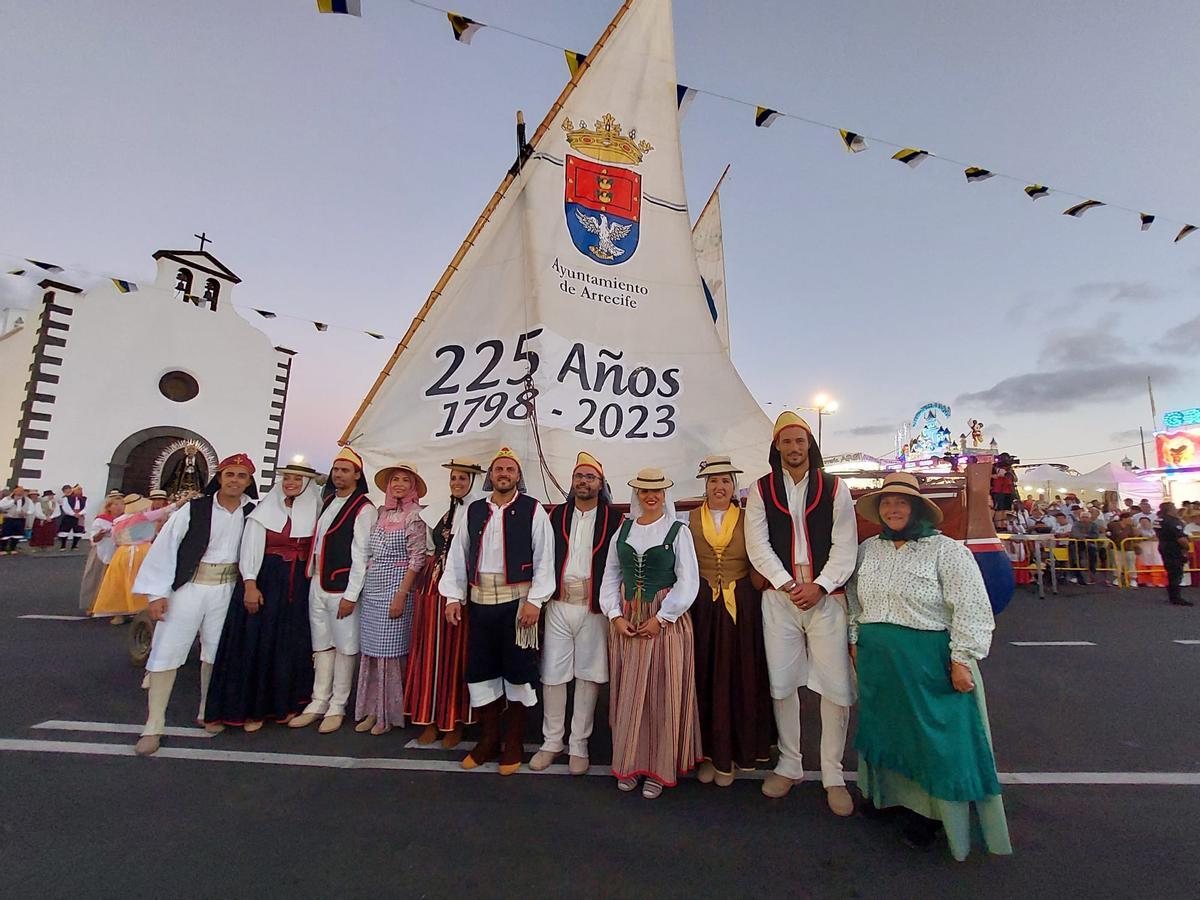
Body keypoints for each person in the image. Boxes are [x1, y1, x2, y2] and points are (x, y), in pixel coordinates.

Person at [847, 472, 1011, 860]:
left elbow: (970, 606)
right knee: (888, 731)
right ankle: (890, 799)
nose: (893, 509)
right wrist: (855, 639)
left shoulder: (947, 551)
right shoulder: (868, 549)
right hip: (880, 659)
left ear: (918, 507)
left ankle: (933, 813)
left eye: (902, 503)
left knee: (933, 739)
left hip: (928, 660)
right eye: (887, 503)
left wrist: (962, 659)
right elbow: (855, 598)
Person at [744, 411, 858, 815]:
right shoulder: (761, 489)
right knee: (783, 680)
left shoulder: (835, 488)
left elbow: (846, 544)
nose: (794, 448)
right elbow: (756, 544)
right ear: (777, 447)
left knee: (834, 685)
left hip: (826, 596)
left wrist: (820, 586)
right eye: (786, 442)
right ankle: (790, 763)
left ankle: (832, 773)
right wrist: (787, 584)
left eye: (800, 441)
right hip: (781, 596)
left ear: (810, 444)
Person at [438, 447, 555, 775]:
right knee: (481, 672)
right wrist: (451, 597)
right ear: (490, 476)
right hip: (480, 603)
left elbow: (546, 557)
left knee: (518, 672)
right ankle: (488, 740)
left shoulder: (533, 510)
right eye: (498, 469)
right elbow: (458, 556)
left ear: (518, 476)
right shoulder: (474, 511)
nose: (503, 474)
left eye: (510, 470)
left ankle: (514, 742)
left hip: (517, 604)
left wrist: (536, 600)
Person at [132, 454, 258, 756]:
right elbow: (166, 547)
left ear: (249, 481)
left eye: (242, 476)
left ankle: (207, 710)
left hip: (226, 588)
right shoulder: (194, 508)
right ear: (220, 476)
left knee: (216, 651)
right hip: (190, 586)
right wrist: (157, 594)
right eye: (230, 474)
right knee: (168, 651)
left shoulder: (253, 512)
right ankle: (153, 725)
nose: (235, 480)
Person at [600, 467, 701, 799]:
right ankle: (630, 761)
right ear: (637, 495)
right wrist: (614, 614)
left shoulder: (678, 531)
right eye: (644, 491)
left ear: (664, 494)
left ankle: (659, 768)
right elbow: (611, 573)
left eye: (656, 491)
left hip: (664, 620)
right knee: (631, 694)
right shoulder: (624, 530)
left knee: (661, 693)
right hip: (629, 617)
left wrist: (663, 616)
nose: (650, 496)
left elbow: (688, 582)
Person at [203, 463, 322, 732]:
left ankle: (285, 705)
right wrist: (250, 585)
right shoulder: (264, 512)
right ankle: (252, 710)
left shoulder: (315, 511)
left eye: (297, 479)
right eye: (287, 478)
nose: (291, 483)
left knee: (290, 648)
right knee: (260, 645)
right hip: (268, 584)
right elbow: (251, 550)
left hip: (299, 589)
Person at [529, 451, 623, 776]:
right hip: (558, 603)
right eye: (579, 476)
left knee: (588, 675)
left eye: (590, 477)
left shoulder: (614, 520)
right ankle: (552, 742)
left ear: (601, 483)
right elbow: (541, 559)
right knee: (553, 675)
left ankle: (579, 744)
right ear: (572, 482)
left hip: (592, 607)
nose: (584, 482)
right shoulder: (554, 516)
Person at [688, 455, 772, 787]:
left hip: (742, 610)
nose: (719, 486)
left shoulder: (750, 517)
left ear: (733, 486)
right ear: (705, 487)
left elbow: (764, 553)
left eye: (725, 481)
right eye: (713, 481)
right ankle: (709, 754)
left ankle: (735, 755)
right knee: (704, 679)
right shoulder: (690, 519)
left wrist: (758, 579)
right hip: (703, 609)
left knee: (739, 679)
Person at [289, 447, 378, 734]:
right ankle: (318, 700)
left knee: (345, 646)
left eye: (345, 470)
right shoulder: (326, 501)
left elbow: (362, 553)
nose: (339, 474)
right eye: (336, 469)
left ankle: (338, 704)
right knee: (322, 644)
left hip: (340, 586)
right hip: (317, 581)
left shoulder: (364, 508)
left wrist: (352, 594)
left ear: (357, 475)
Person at [404, 458, 486, 747]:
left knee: (456, 655)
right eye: (454, 478)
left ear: (473, 481)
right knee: (430, 652)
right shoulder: (439, 510)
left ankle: (455, 720)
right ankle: (429, 717)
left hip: (461, 586)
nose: (457, 483)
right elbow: (429, 547)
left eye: (463, 478)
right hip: (431, 587)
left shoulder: (479, 512)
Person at [354, 461, 428, 736]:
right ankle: (372, 709)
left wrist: (401, 594)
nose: (398, 485)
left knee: (391, 654)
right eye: (395, 480)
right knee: (372, 652)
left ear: (412, 487)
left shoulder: (415, 516)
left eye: (405, 481)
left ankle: (390, 712)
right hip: (374, 585)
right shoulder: (381, 513)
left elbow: (417, 559)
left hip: (397, 586)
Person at [91, 494, 180, 621]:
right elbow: (165, 510)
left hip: (122, 553)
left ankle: (119, 613)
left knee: (120, 581)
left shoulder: (118, 521)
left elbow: (115, 540)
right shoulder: (142, 517)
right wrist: (180, 502)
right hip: (142, 550)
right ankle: (143, 608)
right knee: (144, 578)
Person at [78, 494, 125, 615]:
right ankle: (91, 605)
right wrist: (101, 534)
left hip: (118, 552)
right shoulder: (101, 520)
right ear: (109, 507)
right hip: (101, 551)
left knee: (112, 581)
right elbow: (94, 538)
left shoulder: (125, 520)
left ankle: (109, 606)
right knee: (95, 578)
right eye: (115, 504)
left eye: (121, 504)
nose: (119, 507)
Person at [1158, 502, 1193, 607]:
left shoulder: (1159, 519)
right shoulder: (1172, 521)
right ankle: (1176, 597)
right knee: (1176, 573)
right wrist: (1187, 547)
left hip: (1164, 547)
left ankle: (1172, 595)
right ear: (1170, 509)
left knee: (1171, 572)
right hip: (1174, 549)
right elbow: (1180, 538)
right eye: (1174, 507)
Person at [1, 486, 36, 554]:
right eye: (18, 494)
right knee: (6, 535)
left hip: (20, 519)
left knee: (17, 534)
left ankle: (13, 548)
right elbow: (2, 506)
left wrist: (26, 513)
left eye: (21, 494)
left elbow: (32, 509)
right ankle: (3, 549)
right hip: (9, 518)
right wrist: (13, 501)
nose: (19, 496)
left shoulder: (27, 500)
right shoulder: (7, 499)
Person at [57, 485, 87, 550]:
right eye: (78, 490)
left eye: (80, 490)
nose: (79, 491)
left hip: (79, 517)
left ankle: (74, 546)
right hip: (69, 516)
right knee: (64, 531)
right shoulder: (66, 498)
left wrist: (80, 513)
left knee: (78, 531)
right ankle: (63, 545)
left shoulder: (84, 499)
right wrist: (73, 514)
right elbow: (65, 508)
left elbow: (86, 508)